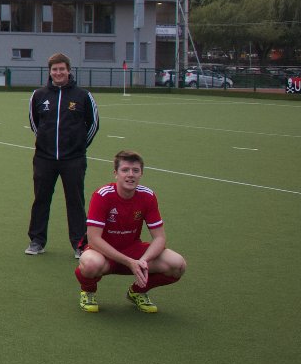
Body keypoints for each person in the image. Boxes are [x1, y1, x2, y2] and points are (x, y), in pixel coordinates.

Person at [74, 151, 185, 313]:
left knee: (177, 265)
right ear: (116, 174)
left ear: (141, 174)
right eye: (125, 170)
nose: (130, 175)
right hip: (103, 252)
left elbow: (160, 238)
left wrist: (143, 261)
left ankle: (137, 292)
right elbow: (93, 240)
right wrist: (130, 262)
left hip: (133, 250)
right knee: (90, 263)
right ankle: (88, 291)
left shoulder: (147, 196)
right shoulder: (102, 195)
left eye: (135, 170)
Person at [26, 53, 99, 258]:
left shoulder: (82, 96)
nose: (58, 73)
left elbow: (93, 124)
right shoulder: (39, 95)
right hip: (44, 159)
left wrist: (79, 147)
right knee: (41, 199)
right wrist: (45, 144)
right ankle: (37, 241)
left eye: (62, 69)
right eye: (54, 69)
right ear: (50, 72)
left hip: (73, 159)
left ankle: (79, 244)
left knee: (75, 200)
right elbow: (35, 124)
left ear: (69, 70)